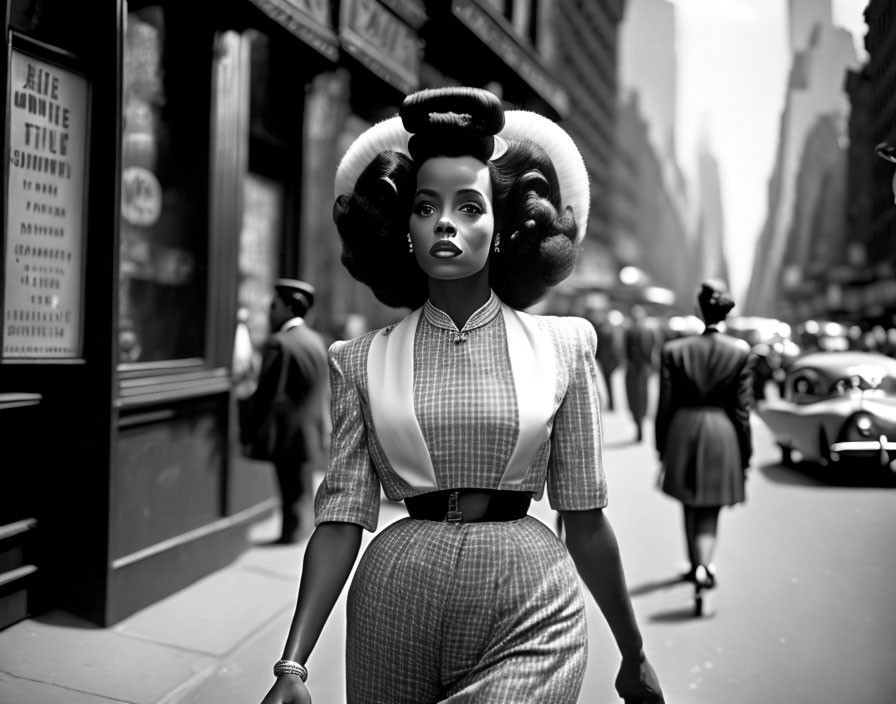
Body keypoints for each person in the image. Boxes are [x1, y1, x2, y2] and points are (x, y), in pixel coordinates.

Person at [259, 87, 664, 704]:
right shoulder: (359, 360)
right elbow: (341, 519)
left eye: (469, 206)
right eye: (425, 207)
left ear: (502, 228)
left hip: (528, 593)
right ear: (404, 230)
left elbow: (583, 516)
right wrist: (292, 667)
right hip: (393, 596)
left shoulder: (566, 346)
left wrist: (633, 653)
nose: (445, 222)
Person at [654, 279, 754, 615]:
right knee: (710, 507)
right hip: (722, 433)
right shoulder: (740, 352)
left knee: (688, 501)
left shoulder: (674, 350)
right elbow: (742, 412)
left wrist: (661, 445)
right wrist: (746, 453)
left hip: (683, 428)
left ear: (699, 310)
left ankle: (693, 563)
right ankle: (705, 567)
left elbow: (664, 405)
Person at [240, 279, 330, 545]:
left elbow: (266, 394)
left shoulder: (279, 342)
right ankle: (300, 531)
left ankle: (290, 534)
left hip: (288, 432)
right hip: (312, 429)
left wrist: (250, 429)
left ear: (289, 308)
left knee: (290, 486)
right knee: (301, 486)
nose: (270, 311)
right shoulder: (316, 340)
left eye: (274, 305)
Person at [624, 304, 657, 443]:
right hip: (642, 368)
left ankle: (640, 425)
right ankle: (640, 424)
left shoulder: (633, 330)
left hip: (637, 369)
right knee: (641, 398)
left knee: (637, 398)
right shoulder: (647, 330)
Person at [594, 309, 625, 411]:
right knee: (609, 383)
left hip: (608, 361)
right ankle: (611, 404)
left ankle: (611, 404)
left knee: (607, 383)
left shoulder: (606, 329)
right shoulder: (614, 330)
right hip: (610, 361)